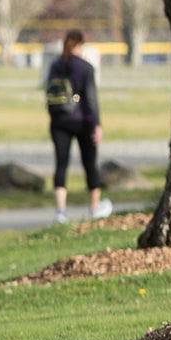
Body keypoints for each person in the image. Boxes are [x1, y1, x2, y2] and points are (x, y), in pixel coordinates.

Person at [45, 29, 109, 224]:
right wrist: (96, 125)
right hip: (83, 122)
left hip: (59, 122)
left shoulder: (55, 65)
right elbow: (91, 99)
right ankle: (94, 207)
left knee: (61, 164)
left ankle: (61, 212)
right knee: (90, 164)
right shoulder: (85, 68)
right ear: (80, 45)